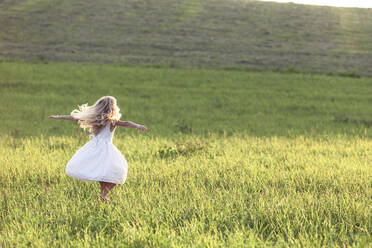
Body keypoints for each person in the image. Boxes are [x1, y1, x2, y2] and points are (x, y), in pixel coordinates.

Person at [49, 96, 147, 203]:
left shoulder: (96, 119)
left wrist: (58, 117)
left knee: (104, 172)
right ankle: (103, 195)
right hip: (105, 149)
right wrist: (138, 126)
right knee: (117, 171)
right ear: (113, 108)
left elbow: (74, 118)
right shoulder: (111, 122)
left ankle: (103, 195)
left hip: (94, 147)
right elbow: (126, 123)